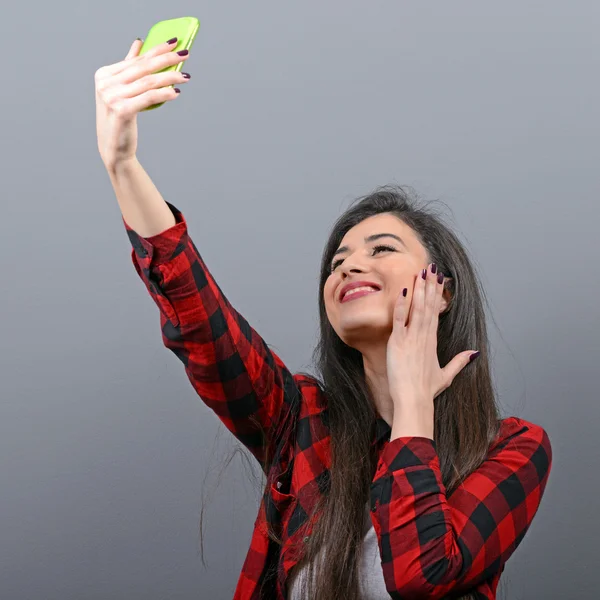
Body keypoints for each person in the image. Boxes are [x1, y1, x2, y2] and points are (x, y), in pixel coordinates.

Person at [94, 38, 553, 600]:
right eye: (338, 261)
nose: (349, 264)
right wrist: (122, 164)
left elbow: (420, 574)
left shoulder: (512, 448)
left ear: (444, 290)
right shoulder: (302, 422)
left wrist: (413, 407)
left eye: (381, 249)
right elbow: (202, 324)